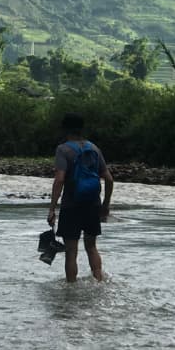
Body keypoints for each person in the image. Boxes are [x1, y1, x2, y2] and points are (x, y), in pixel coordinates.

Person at [48, 113, 113, 282]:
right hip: (93, 204)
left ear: (65, 129)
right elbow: (109, 178)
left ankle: (70, 290)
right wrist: (105, 205)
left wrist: (52, 209)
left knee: (71, 251)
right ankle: (99, 282)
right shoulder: (94, 148)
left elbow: (60, 179)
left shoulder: (63, 149)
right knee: (91, 247)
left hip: (71, 206)